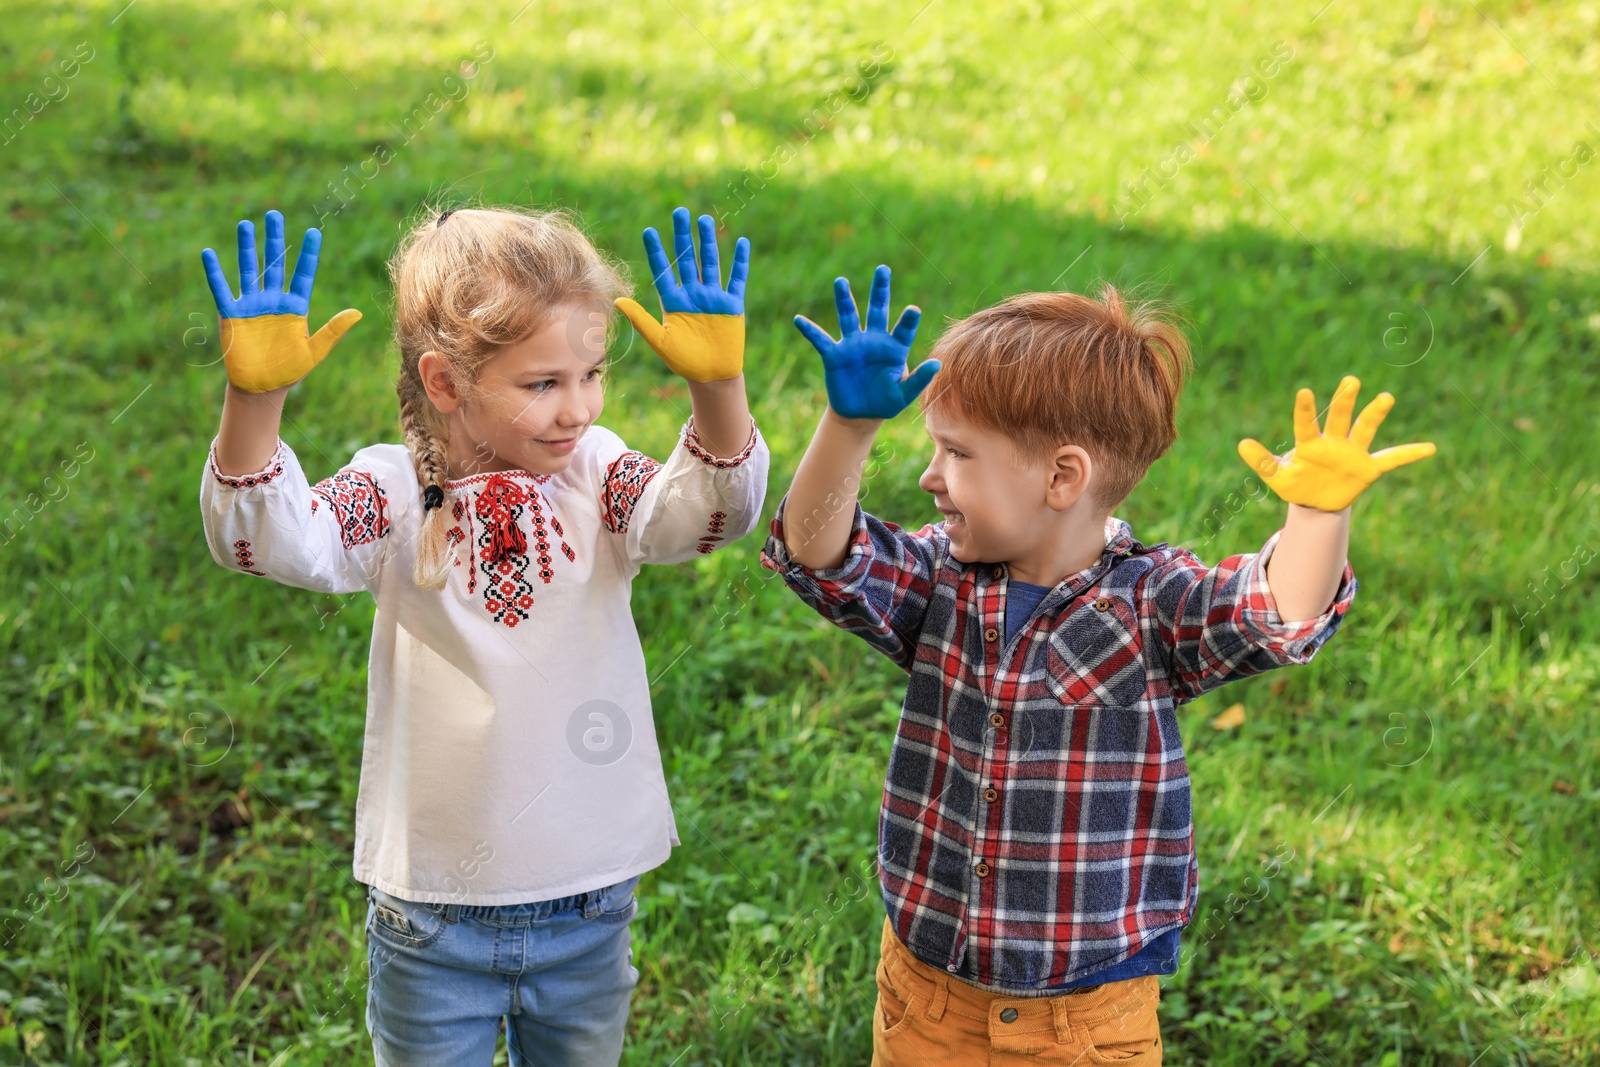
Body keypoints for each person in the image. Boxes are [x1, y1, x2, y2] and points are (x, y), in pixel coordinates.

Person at [759, 266, 1434, 1064]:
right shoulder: (944, 578)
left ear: (1062, 476)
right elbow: (819, 550)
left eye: (955, 454)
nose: (929, 477)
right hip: (928, 989)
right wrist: (846, 425)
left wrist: (1318, 516)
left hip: (1085, 1018)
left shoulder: (1151, 603)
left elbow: (1277, 613)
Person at [197, 204, 768, 1065]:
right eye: (543, 383)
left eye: (590, 373)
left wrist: (719, 393)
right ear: (444, 381)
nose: (576, 407)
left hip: (590, 902)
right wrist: (255, 401)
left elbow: (699, 518)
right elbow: (276, 542)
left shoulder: (598, 472)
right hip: (432, 920)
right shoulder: (390, 492)